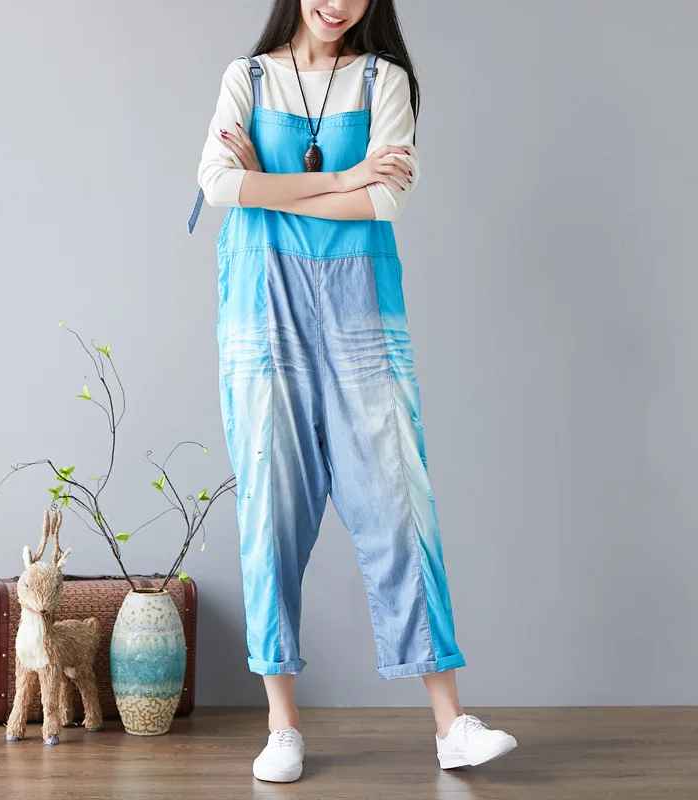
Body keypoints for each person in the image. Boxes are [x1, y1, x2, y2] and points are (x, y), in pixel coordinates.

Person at [189, 0, 518, 783]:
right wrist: (341, 177)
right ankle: (282, 727)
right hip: (264, 308)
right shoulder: (248, 78)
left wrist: (270, 185)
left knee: (399, 500)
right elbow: (216, 184)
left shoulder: (384, 82)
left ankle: (450, 725)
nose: (336, 3)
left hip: (360, 309)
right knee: (269, 506)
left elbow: (386, 201)